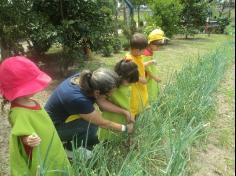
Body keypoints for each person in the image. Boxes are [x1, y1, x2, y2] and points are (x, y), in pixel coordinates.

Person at [0, 56, 72, 176]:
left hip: (51, 143)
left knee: (58, 163)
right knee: (49, 170)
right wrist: (27, 139)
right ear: (23, 89)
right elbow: (21, 134)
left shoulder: (32, 102)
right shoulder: (19, 112)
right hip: (41, 151)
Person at [45, 68, 134, 151]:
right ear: (97, 92)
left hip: (62, 120)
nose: (109, 97)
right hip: (52, 129)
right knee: (90, 125)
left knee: (90, 123)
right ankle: (72, 151)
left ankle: (80, 144)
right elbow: (102, 123)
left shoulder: (88, 80)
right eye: (108, 95)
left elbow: (102, 102)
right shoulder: (79, 100)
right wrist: (126, 129)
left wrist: (125, 112)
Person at [98, 60, 139, 141]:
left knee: (122, 140)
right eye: (129, 82)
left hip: (125, 118)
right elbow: (101, 103)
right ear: (120, 77)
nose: (131, 84)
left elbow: (131, 102)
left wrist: (131, 115)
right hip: (111, 118)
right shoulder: (110, 87)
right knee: (109, 140)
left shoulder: (129, 86)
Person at [125, 33, 149, 117]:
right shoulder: (129, 60)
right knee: (134, 106)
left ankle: (138, 116)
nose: (144, 53)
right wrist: (143, 80)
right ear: (137, 50)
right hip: (134, 88)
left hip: (140, 87)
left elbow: (140, 65)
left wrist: (149, 63)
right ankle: (131, 124)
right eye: (143, 51)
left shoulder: (137, 56)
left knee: (141, 103)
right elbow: (131, 75)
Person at [143, 28, 167, 104]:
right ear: (151, 43)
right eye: (157, 46)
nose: (158, 48)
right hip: (147, 77)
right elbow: (145, 67)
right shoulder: (146, 53)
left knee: (153, 91)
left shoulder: (149, 51)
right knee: (149, 92)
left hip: (151, 77)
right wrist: (154, 77)